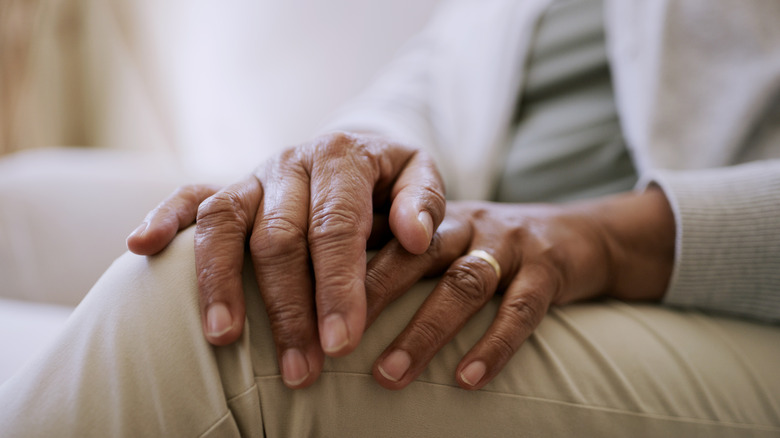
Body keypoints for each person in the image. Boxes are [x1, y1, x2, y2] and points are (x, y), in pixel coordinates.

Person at [2, 0, 779, 436]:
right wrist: (366, 166)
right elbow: (436, 77)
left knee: (220, 319)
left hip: (717, 289)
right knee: (17, 209)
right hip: (485, 220)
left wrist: (610, 236)